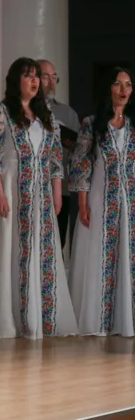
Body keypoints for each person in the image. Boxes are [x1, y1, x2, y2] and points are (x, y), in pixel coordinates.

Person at [0, 58, 78, 339]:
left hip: (40, 194)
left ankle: (41, 316)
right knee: (11, 250)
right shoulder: (1, 113)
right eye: (27, 76)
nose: (34, 81)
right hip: (10, 191)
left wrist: (57, 193)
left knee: (42, 251)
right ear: (15, 81)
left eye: (37, 76)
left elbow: (56, 160)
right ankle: (13, 317)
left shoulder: (46, 115)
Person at [68, 67, 135, 336]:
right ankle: (99, 321)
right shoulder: (91, 124)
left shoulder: (132, 127)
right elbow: (81, 164)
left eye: (128, 85)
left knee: (126, 255)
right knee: (99, 253)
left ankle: (124, 320)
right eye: (118, 84)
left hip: (128, 200)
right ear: (108, 88)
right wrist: (83, 203)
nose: (123, 90)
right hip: (99, 197)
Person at [39, 59, 81, 252]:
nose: (51, 82)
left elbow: (80, 150)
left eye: (54, 77)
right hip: (30, 185)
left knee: (56, 243)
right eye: (46, 76)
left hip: (59, 188)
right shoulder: (20, 110)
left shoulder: (67, 112)